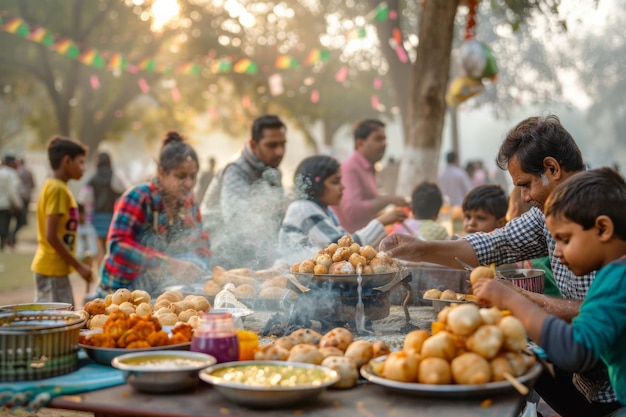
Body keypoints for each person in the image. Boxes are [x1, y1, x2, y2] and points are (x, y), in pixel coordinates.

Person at [380, 115, 620, 416]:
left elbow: (592, 322)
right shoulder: (547, 212)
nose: (525, 197)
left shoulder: (608, 222)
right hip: (587, 380)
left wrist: (518, 298)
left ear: (552, 169)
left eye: (526, 185)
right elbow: (496, 243)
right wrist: (419, 248)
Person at [473, 167, 626, 411]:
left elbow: (576, 352)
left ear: (603, 229)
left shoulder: (616, 281)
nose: (556, 252)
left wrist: (514, 301)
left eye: (565, 239)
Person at [98, 131, 210, 298]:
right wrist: (169, 264)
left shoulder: (189, 202)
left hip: (159, 291)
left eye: (192, 176)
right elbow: (118, 246)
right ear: (161, 172)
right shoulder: (138, 197)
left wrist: (203, 268)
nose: (189, 183)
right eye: (181, 176)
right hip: (118, 292)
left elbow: (201, 243)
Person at [278, 155, 405, 264]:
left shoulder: (326, 211)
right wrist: (381, 222)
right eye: (335, 182)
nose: (343, 187)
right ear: (317, 185)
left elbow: (347, 241)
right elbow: (343, 249)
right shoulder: (303, 209)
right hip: (288, 277)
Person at [201, 114, 288, 270]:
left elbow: (277, 221)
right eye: (272, 145)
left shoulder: (273, 172)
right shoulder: (235, 171)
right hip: (220, 257)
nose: (280, 152)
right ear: (253, 145)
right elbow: (237, 221)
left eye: (283, 144)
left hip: (257, 255)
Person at [31, 136, 92, 306]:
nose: (83, 168)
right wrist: (79, 266)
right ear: (66, 161)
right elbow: (51, 236)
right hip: (52, 269)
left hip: (56, 269)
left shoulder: (59, 187)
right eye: (80, 162)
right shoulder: (57, 189)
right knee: (58, 322)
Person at [331, 119, 408, 233]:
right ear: (360, 143)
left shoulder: (367, 168)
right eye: (378, 139)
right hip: (352, 244)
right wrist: (389, 200)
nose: (384, 144)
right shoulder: (350, 168)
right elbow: (352, 211)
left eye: (385, 139)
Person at [79, 151, 128, 266]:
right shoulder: (116, 177)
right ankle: (110, 271)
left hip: (96, 219)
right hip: (113, 218)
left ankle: (100, 274)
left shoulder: (92, 180)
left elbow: (83, 199)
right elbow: (126, 192)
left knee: (99, 249)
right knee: (111, 249)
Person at [9, 157, 35, 247]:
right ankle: (10, 237)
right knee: (21, 220)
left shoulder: (15, 172)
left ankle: (11, 236)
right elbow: (32, 184)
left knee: (20, 220)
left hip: (19, 199)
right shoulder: (27, 172)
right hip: (24, 198)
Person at [0, 155, 22, 251]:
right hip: (6, 203)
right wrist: (17, 204)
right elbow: (12, 191)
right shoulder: (11, 174)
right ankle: (5, 241)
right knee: (5, 224)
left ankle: (4, 242)